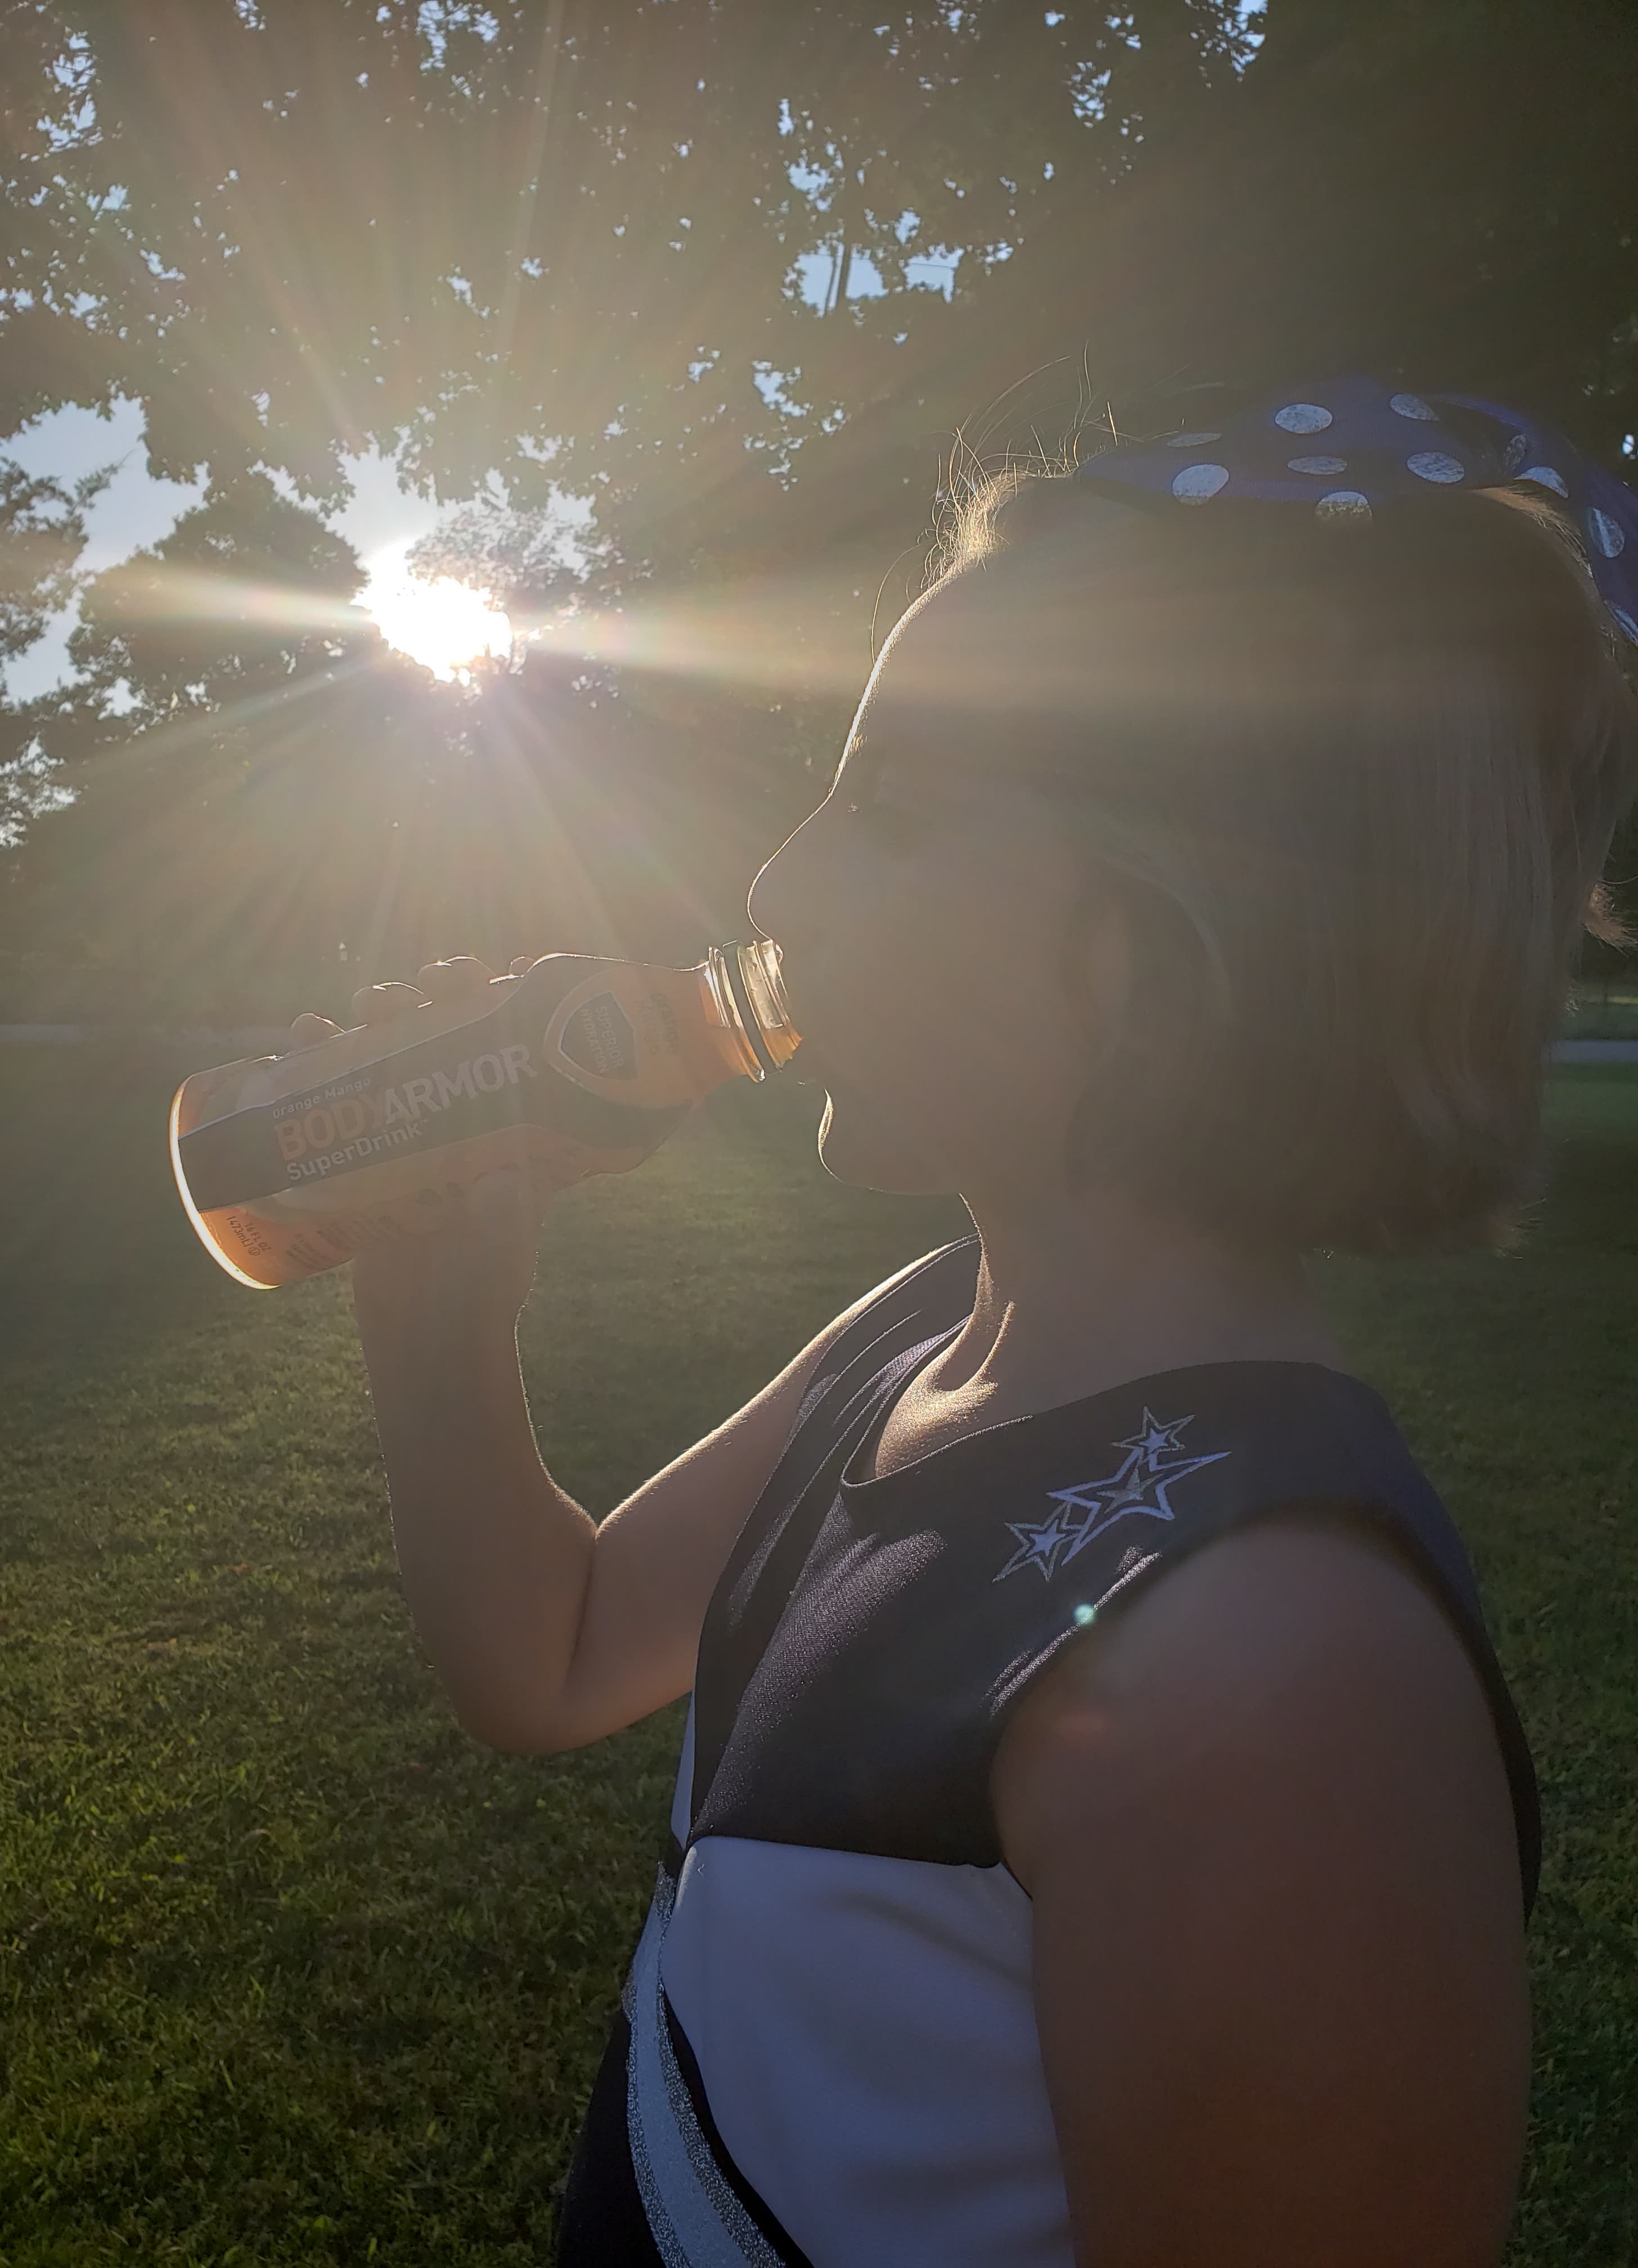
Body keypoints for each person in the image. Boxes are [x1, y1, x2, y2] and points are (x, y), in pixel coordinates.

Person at [291, 377, 1638, 2266]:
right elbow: (559, 1649)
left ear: (1156, 957)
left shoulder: (1273, 1672)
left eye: (891, 806)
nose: (775, 881)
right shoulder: (917, 1343)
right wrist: (435, 1305)